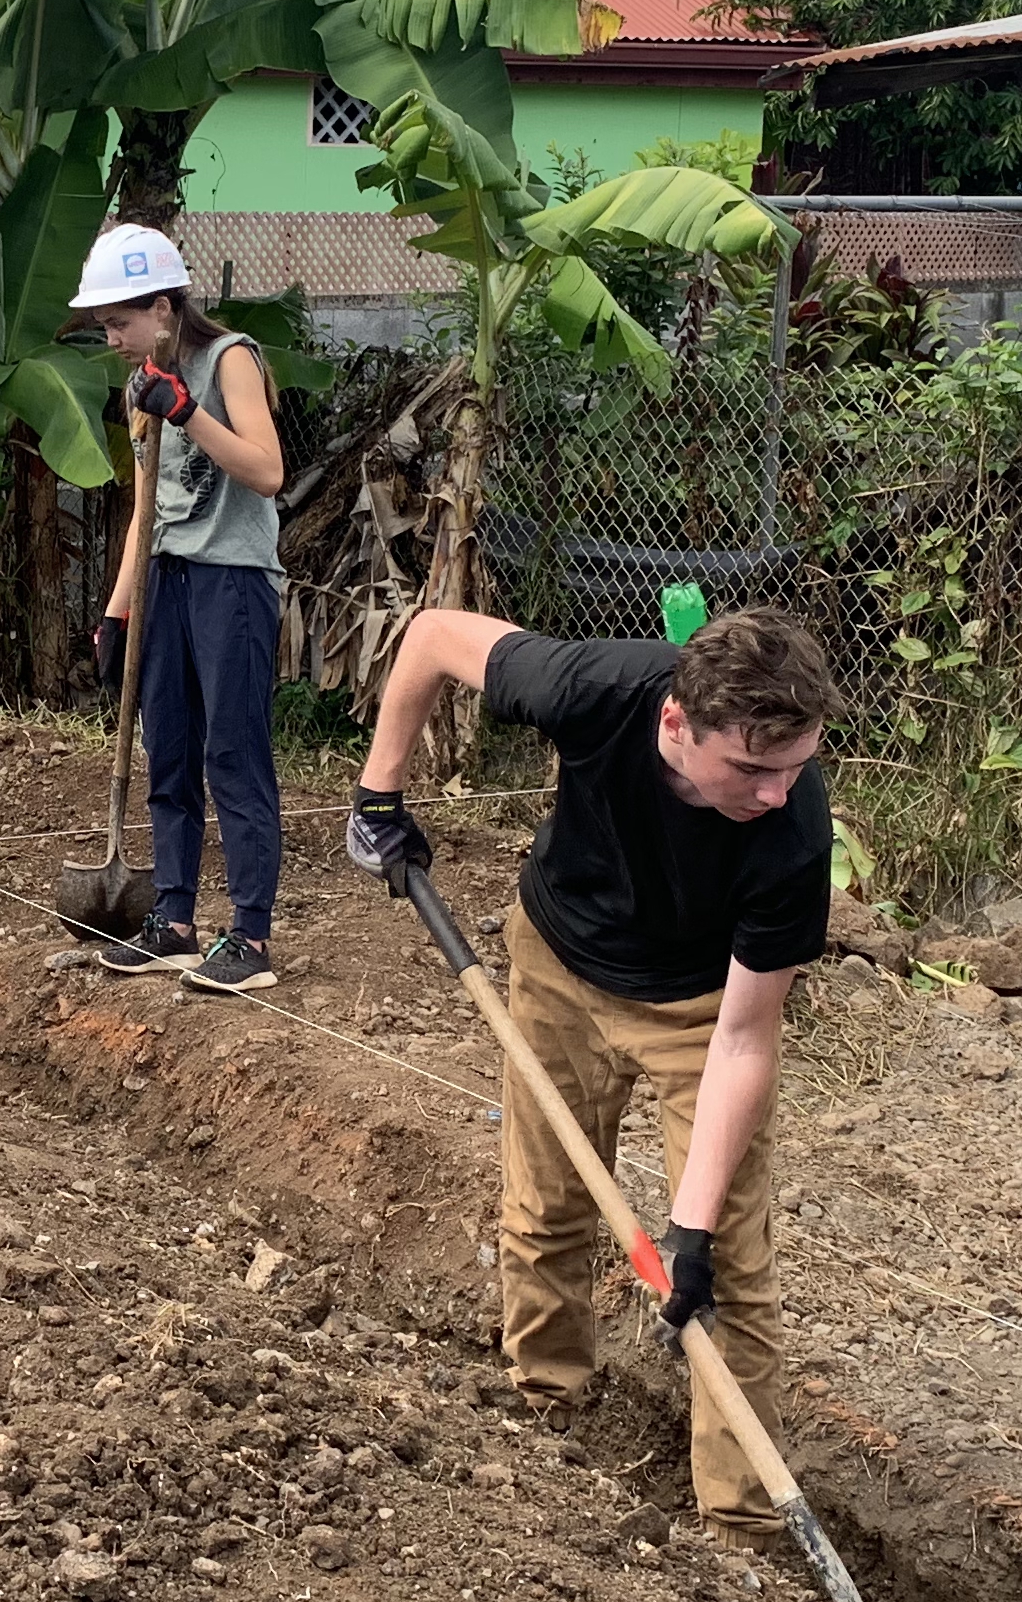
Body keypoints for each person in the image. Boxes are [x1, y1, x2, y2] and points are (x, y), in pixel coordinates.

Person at [346, 605, 840, 1539]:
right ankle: (544, 1412)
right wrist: (381, 792)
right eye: (751, 767)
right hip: (561, 965)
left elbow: (742, 1040)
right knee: (546, 1207)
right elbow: (430, 638)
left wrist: (685, 1228)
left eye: (795, 765)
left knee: (725, 1269)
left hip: (699, 1011)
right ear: (675, 724)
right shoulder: (596, 687)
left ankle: (740, 1529)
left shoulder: (792, 835)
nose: (777, 791)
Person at [79, 222, 288, 997]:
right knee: (166, 748)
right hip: (165, 576)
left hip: (231, 577)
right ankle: (173, 920)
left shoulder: (229, 359)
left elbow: (266, 472)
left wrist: (187, 409)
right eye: (105, 324)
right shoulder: (140, 381)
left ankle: (251, 935)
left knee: (231, 753)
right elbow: (147, 502)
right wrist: (115, 610)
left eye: (120, 322)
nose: (112, 337)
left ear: (163, 309)